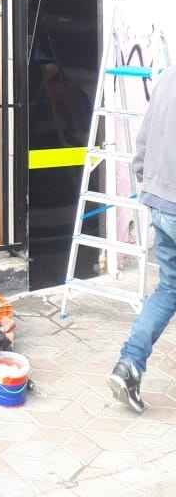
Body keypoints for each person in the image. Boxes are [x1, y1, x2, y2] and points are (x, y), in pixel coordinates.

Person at [109, 65, 176, 414]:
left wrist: (146, 181)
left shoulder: (168, 76)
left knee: (169, 289)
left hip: (160, 201)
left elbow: (143, 140)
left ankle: (129, 365)